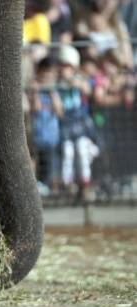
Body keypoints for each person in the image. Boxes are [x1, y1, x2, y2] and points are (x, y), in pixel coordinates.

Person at [57, 45, 99, 198]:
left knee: (82, 150)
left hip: (81, 126)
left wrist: (78, 83)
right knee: (68, 152)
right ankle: (68, 184)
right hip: (67, 126)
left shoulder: (80, 80)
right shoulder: (57, 85)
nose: (63, 70)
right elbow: (59, 110)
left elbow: (89, 90)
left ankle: (85, 183)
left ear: (74, 67)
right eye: (61, 66)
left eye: (67, 66)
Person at [29, 56, 64, 195]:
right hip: (37, 135)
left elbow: (59, 111)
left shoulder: (55, 90)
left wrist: (51, 92)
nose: (47, 78)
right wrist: (36, 91)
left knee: (51, 165)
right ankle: (37, 187)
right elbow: (36, 108)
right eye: (45, 75)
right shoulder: (34, 90)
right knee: (37, 162)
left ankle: (50, 188)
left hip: (52, 137)